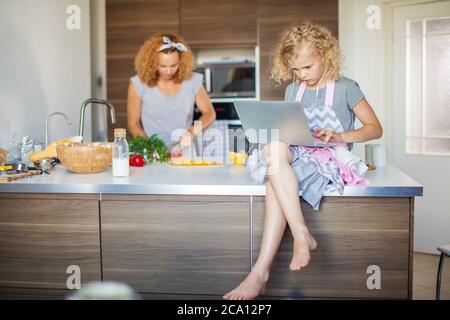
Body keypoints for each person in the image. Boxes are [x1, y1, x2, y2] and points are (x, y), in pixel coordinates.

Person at [223, 21, 383, 300]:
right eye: (295, 70)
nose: (301, 75)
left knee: (275, 177)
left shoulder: (346, 88)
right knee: (273, 147)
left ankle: (260, 272)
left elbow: (374, 128)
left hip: (330, 157)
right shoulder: (293, 89)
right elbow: (289, 130)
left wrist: (339, 135)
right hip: (297, 153)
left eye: (307, 67)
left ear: (326, 55)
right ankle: (300, 234)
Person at [127, 33, 216, 150]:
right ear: (152, 63)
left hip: (184, 150)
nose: (169, 71)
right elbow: (133, 124)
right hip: (153, 153)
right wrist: (150, 148)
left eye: (174, 65)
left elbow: (209, 113)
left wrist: (191, 132)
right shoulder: (138, 83)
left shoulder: (193, 80)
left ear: (182, 61)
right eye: (163, 66)